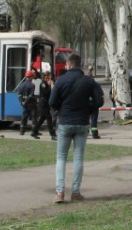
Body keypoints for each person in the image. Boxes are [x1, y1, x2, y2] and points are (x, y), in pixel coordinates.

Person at [49, 53, 103, 203]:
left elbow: (52, 102)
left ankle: (59, 193)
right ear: (80, 64)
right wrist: (89, 109)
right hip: (82, 123)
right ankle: (75, 192)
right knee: (78, 158)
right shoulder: (88, 81)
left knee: (61, 158)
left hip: (65, 122)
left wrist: (62, 109)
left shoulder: (61, 80)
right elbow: (99, 100)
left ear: (68, 64)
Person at [32, 70, 57, 140]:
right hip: (43, 103)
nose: (48, 79)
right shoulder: (43, 83)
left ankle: (34, 131)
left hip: (45, 103)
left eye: (49, 77)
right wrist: (50, 86)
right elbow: (46, 93)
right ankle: (52, 134)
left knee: (42, 119)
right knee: (49, 119)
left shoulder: (46, 83)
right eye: (47, 77)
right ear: (44, 77)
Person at [18, 70, 38, 135]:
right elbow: (31, 95)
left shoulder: (21, 85)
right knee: (34, 118)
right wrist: (26, 102)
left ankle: (22, 131)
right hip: (31, 104)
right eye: (32, 76)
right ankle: (34, 131)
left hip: (24, 105)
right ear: (31, 77)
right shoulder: (32, 85)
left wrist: (22, 102)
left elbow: (19, 95)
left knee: (24, 118)